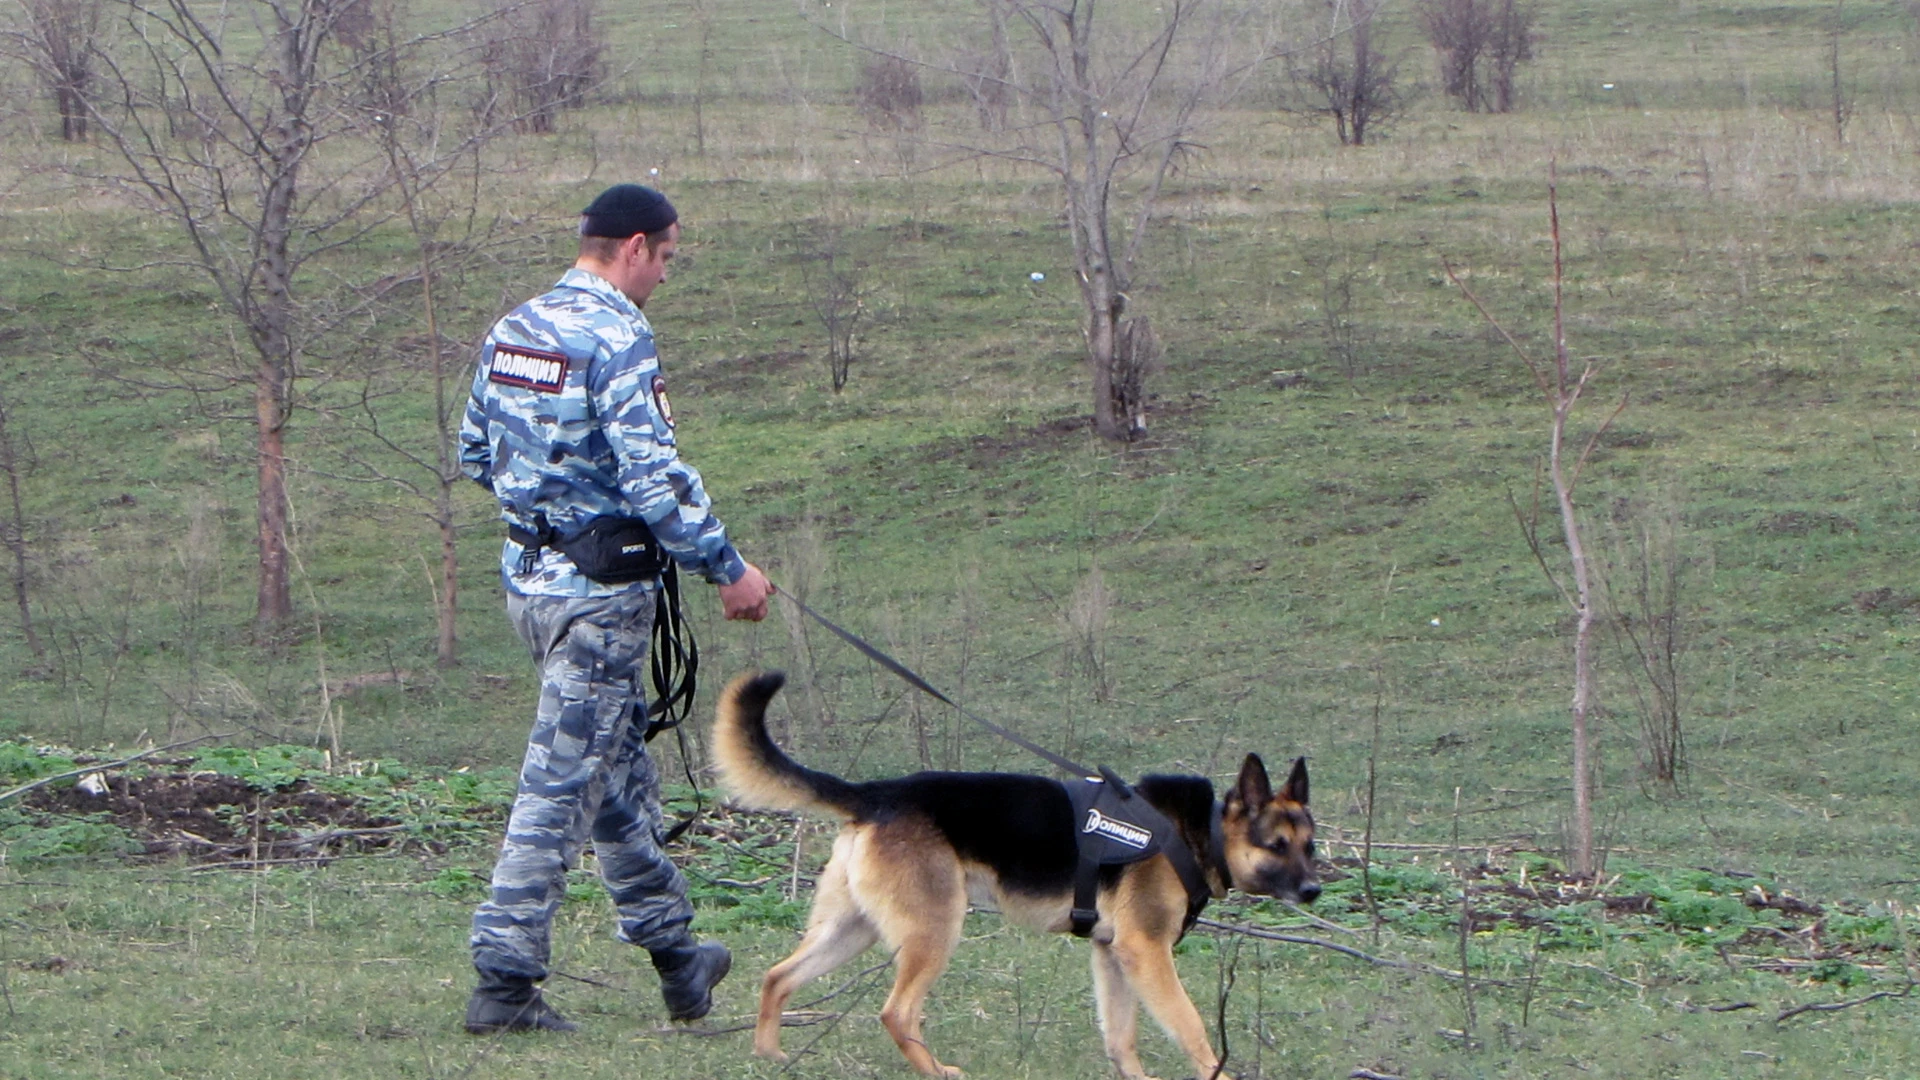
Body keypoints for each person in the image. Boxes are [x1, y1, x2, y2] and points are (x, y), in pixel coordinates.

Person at [457, 183, 775, 1034]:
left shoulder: (514, 328)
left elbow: (475, 453)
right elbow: (655, 479)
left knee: (612, 774)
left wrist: (552, 503)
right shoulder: (617, 336)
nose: (666, 275)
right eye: (667, 257)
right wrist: (727, 568)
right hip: (599, 599)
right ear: (635, 245)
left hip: (530, 583)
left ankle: (679, 960)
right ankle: (504, 980)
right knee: (561, 784)